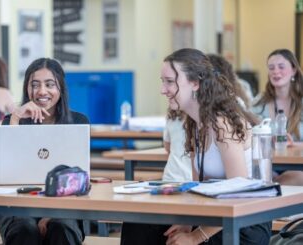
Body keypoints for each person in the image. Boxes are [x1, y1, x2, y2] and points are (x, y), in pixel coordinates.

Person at [121, 48, 271, 245]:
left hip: (245, 223)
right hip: (218, 215)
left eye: (170, 81)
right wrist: (188, 223)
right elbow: (199, 188)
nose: (163, 89)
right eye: (162, 81)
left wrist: (195, 236)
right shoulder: (193, 123)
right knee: (139, 222)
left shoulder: (222, 124)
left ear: (195, 83)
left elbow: (238, 194)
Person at [0, 58, 88, 245]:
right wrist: (16, 117)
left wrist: (51, 213)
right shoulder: (12, 121)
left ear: (61, 89)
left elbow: (79, 180)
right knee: (25, 229)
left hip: (65, 207)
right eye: (35, 85)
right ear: (27, 89)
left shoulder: (78, 121)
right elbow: (8, 168)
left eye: (50, 85)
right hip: (19, 206)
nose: (42, 91)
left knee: (60, 226)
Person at [251, 49, 303, 185]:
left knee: (298, 177)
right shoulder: (259, 103)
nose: (276, 71)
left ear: (294, 70)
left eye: (281, 67)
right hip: (269, 165)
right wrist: (267, 141)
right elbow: (247, 135)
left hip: (298, 167)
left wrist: (295, 144)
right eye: (271, 68)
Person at [162, 109, 192, 181]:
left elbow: (167, 146)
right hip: (191, 177)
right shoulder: (203, 121)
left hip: (171, 175)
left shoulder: (171, 119)